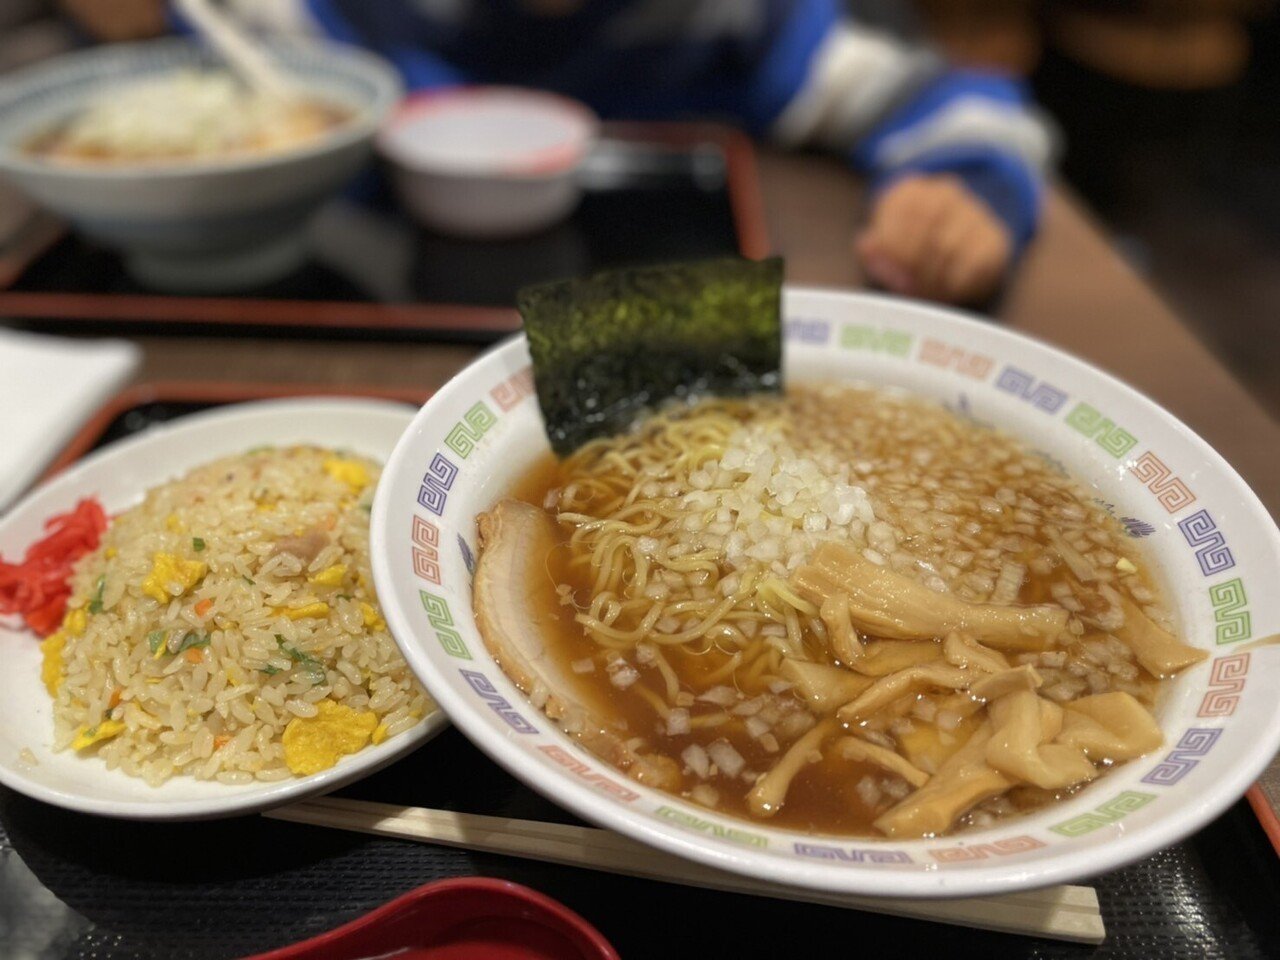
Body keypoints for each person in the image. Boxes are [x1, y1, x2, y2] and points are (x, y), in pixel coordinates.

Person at [60, 0, 1055, 305]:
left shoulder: (724, 17)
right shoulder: (329, 15)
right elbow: (208, 62)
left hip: (668, 331)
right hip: (365, 341)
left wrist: (966, 182)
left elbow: (938, 94)